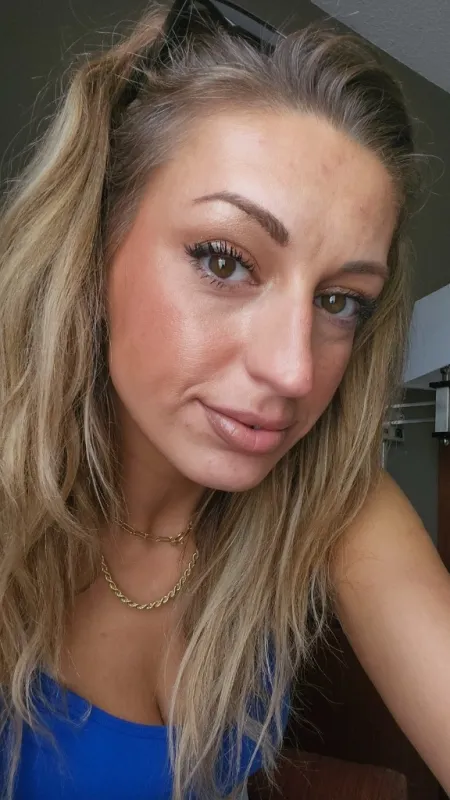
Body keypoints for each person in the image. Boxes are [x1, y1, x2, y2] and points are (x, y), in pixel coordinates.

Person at [1, 0, 449, 798]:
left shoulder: (328, 497)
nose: (293, 372)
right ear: (93, 248)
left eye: (339, 301)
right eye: (224, 260)